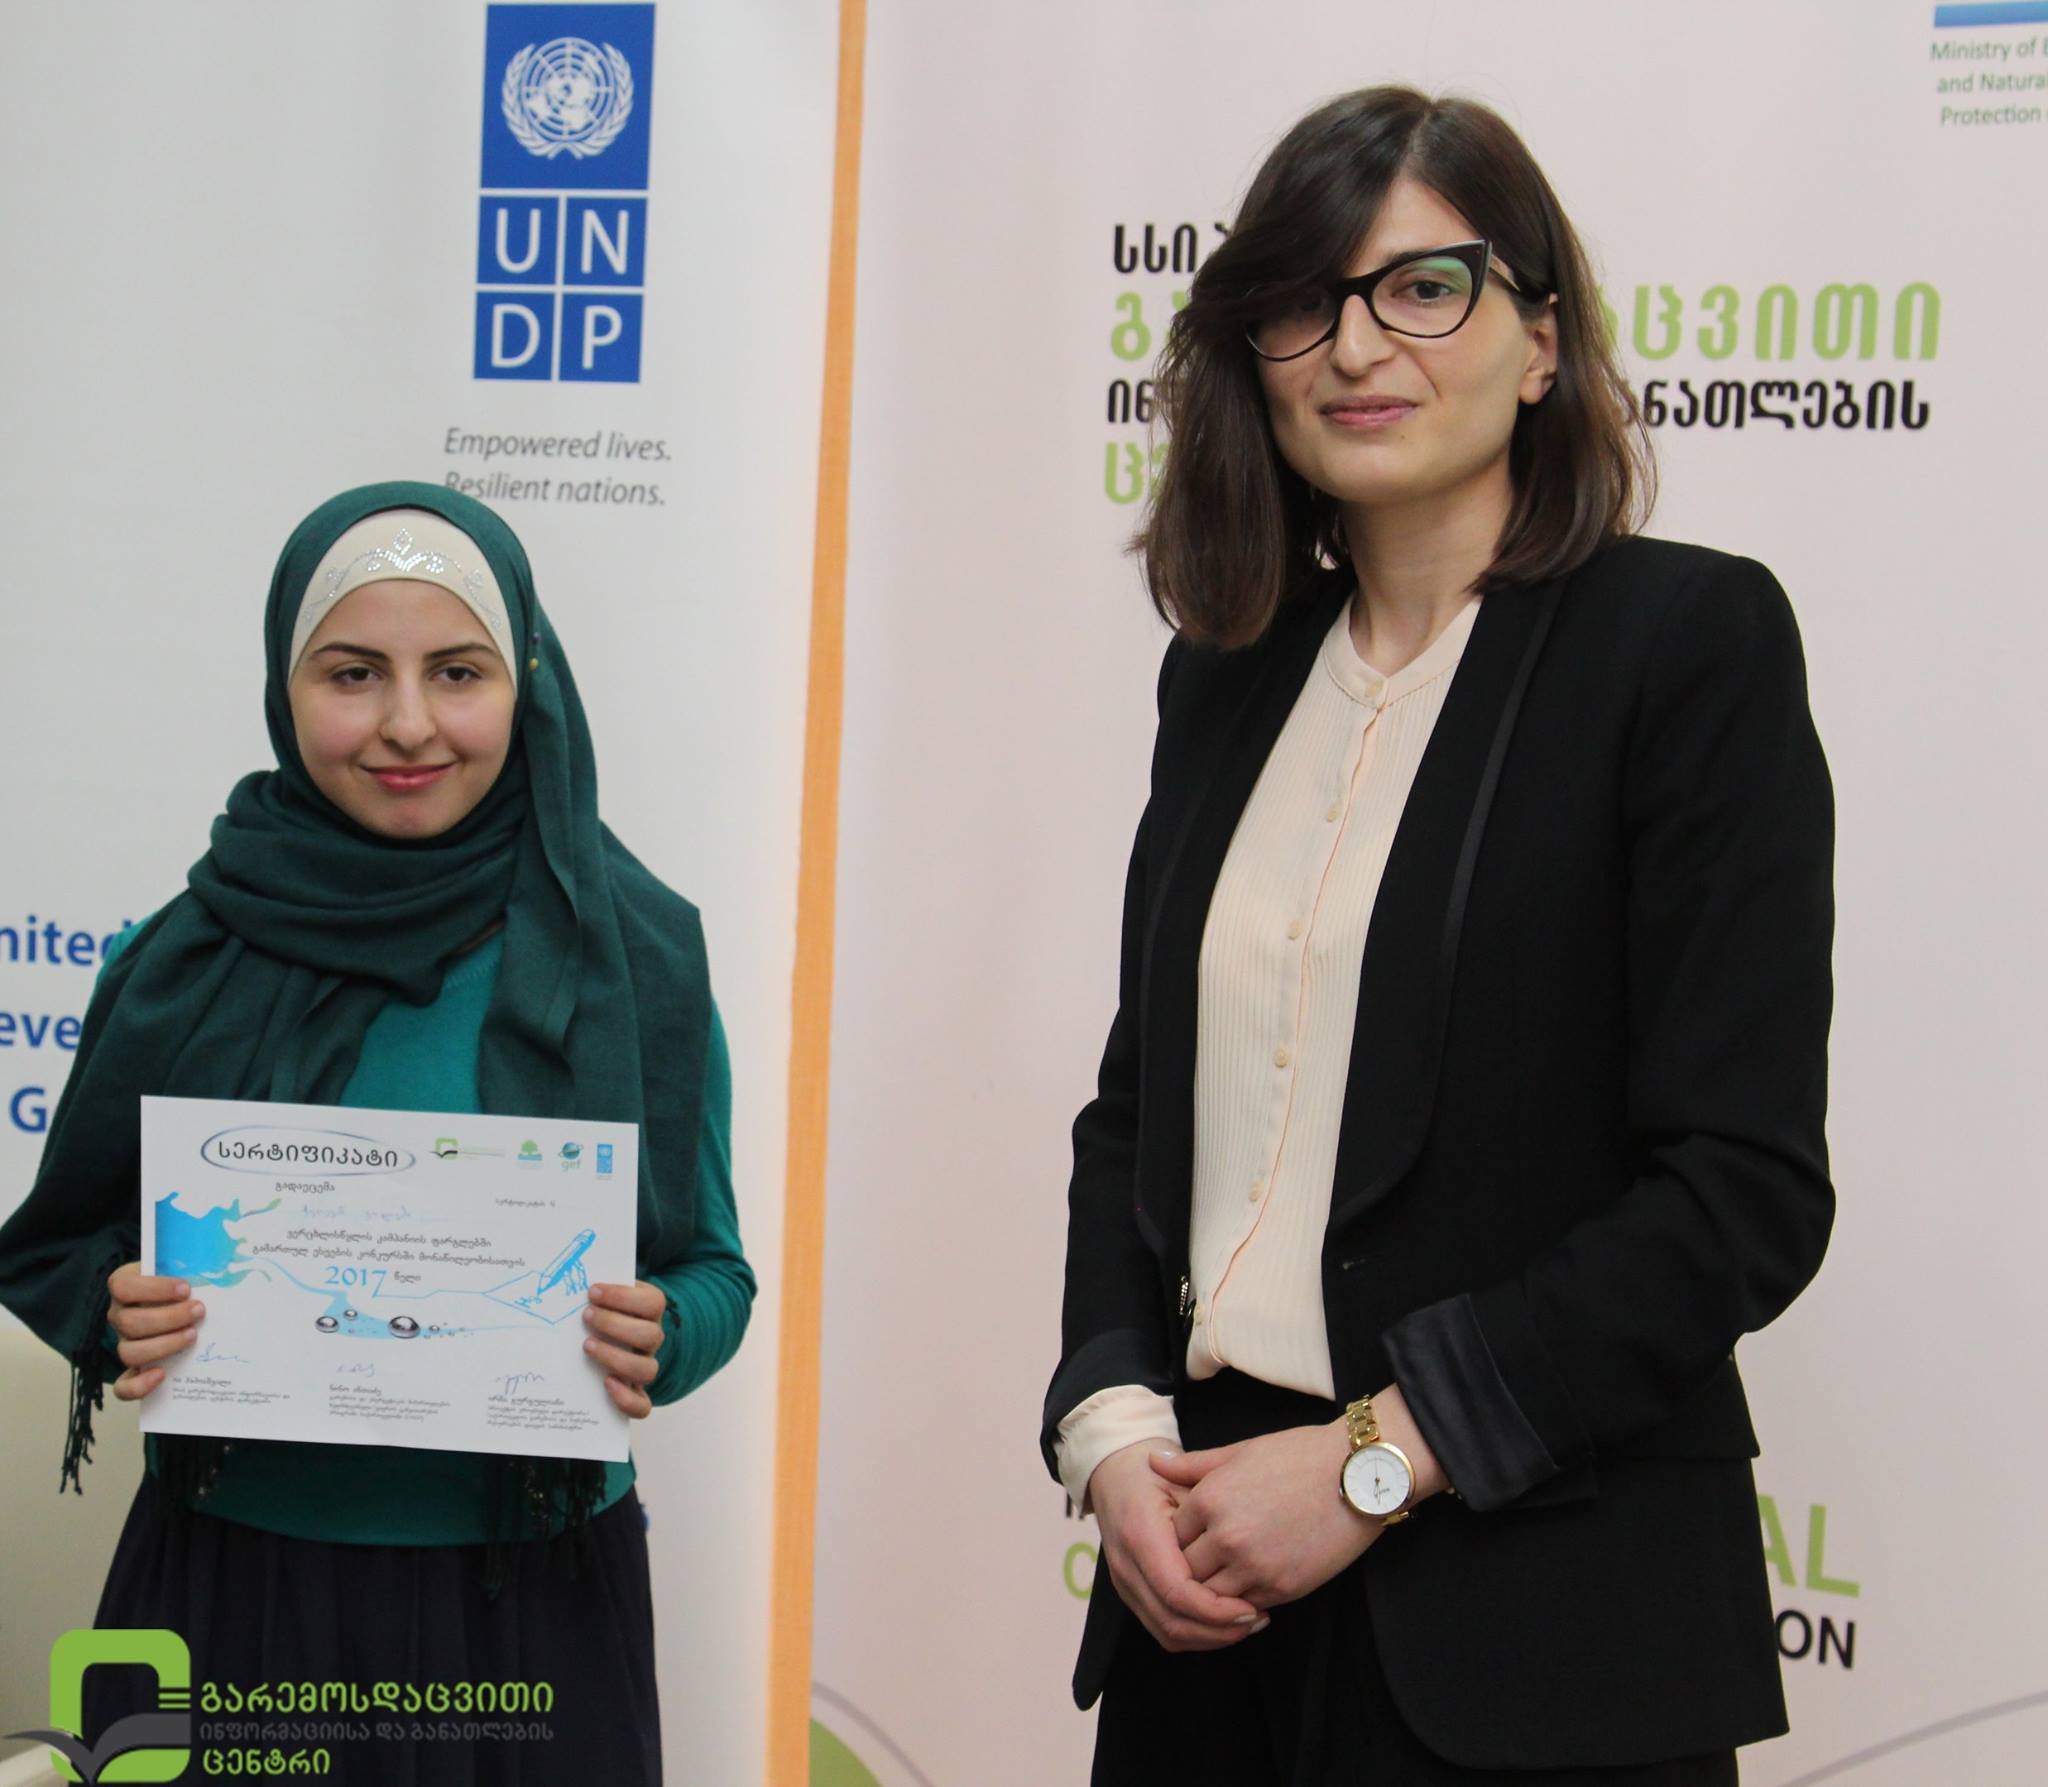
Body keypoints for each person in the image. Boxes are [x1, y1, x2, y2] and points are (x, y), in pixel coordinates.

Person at [1043, 88, 1834, 1785]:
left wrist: (1375, 1460)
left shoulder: (1684, 646)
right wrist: (1110, 1431)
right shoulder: (1226, 677)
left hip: (1527, 1616)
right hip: (1203, 1587)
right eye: (1301, 300)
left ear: (1541, 341)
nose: (1354, 346)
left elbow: (1738, 1193)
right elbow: (1141, 1115)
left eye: (1421, 287)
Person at [0, 481, 754, 1785]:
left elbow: (714, 1273)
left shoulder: (635, 958)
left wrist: (664, 1331)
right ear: (285, 690)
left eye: (458, 672)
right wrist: (123, 1309)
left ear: (525, 683)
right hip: (234, 1589)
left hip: (530, 1607)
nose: (408, 723)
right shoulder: (178, 961)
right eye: (353, 673)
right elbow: (63, 1246)